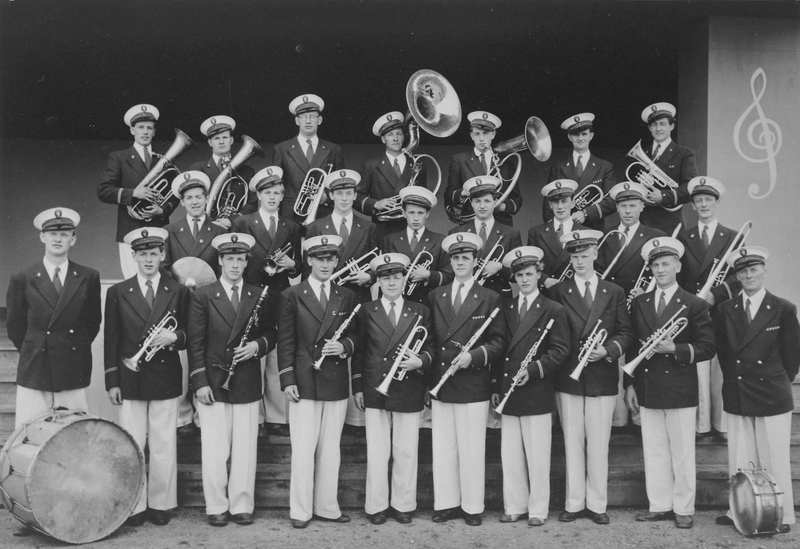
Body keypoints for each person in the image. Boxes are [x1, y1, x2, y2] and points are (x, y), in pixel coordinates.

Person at [624, 237, 716, 529]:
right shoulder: (640, 303)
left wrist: (675, 349)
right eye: (655, 265)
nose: (660, 270)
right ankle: (659, 504)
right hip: (647, 385)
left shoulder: (694, 303)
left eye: (666, 264)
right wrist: (629, 384)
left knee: (682, 452)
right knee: (654, 450)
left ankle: (684, 508)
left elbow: (707, 347)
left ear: (677, 266)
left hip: (679, 387)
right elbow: (633, 346)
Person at [187, 233, 277, 527]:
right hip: (214, 381)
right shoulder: (203, 295)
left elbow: (271, 334)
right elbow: (195, 343)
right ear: (221, 261)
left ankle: (242, 505)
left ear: (246, 262)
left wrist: (257, 346)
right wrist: (200, 382)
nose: (235, 265)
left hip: (246, 379)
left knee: (245, 448)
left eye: (240, 259)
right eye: (230, 259)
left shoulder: (259, 293)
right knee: (215, 448)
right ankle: (216, 506)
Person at [104, 227, 189, 527]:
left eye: (154, 253)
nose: (149, 259)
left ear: (163, 255)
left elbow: (190, 332)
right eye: (143, 254)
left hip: (165, 374)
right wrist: (112, 381)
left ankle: (160, 503)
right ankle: (135, 504)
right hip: (131, 376)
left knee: (164, 442)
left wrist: (175, 337)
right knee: (133, 443)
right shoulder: (117, 292)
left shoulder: (178, 291)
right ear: (134, 256)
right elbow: (111, 340)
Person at [549, 230, 632, 525]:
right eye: (575, 257)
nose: (580, 261)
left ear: (595, 254)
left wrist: (608, 350)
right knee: (572, 443)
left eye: (585, 255)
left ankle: (597, 504)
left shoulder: (614, 291)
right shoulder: (559, 291)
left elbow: (625, 331)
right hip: (569, 376)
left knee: (598, 444)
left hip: (601, 374)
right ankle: (574, 503)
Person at [713, 246, 798, 534]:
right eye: (743, 272)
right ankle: (739, 509)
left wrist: (777, 379)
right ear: (737, 277)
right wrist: (734, 379)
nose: (748, 275)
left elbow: (792, 355)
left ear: (763, 271)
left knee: (774, 456)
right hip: (738, 388)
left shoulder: (783, 307)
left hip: (771, 391)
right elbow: (724, 352)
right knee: (740, 456)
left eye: (753, 270)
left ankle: (782, 515)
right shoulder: (725, 310)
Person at [277, 235, 360, 529]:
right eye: (319, 259)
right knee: (303, 448)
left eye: (330, 259)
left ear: (336, 262)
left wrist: (345, 346)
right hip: (304, 378)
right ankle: (300, 510)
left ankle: (326, 507)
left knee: (330, 448)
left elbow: (356, 334)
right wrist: (287, 378)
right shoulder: (292, 295)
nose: (325, 264)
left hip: (334, 377)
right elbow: (286, 340)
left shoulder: (346, 295)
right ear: (309, 260)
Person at [427, 232, 507, 526]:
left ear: (476, 262)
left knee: (472, 448)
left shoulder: (489, 297)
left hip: (473, 381)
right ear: (450, 262)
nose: (460, 262)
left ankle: (472, 507)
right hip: (442, 381)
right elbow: (431, 341)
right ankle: (446, 503)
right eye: (456, 258)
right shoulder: (436, 295)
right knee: (444, 447)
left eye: (466, 258)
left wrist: (473, 356)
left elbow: (499, 342)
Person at [351, 252, 435, 525]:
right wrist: (358, 387)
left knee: (406, 450)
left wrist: (420, 361)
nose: (391, 283)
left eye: (397, 277)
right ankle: (376, 506)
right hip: (375, 385)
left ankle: (403, 505)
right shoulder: (367, 310)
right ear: (378, 281)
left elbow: (430, 347)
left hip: (409, 386)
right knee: (377, 451)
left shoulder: (420, 310)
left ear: (404, 280)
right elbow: (360, 352)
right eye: (386, 278)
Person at [6, 208, 101, 427]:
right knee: (31, 431)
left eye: (64, 234)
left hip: (73, 364)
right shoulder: (23, 277)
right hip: (35, 364)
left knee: (73, 431)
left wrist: (70, 346)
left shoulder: (88, 276)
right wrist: (36, 347)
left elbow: (93, 323)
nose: (58, 239)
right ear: (42, 237)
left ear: (73, 239)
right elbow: (15, 327)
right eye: (52, 234)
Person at [496, 246, 570, 526]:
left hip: (536, 387)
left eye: (529, 274)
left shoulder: (553, 309)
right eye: (519, 275)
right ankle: (515, 505)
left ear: (539, 274)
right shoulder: (506, 307)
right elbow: (500, 348)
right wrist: (496, 385)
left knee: (538, 454)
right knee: (511, 453)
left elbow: (560, 350)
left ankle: (538, 509)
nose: (525, 279)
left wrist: (534, 370)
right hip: (509, 388)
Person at [231, 166, 303, 436]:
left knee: (276, 354)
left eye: (277, 193)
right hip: (251, 294)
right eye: (268, 193)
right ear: (258, 195)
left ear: (282, 197)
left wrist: (291, 264)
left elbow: (298, 267)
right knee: (253, 353)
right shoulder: (242, 223)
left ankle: (276, 417)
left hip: (280, 295)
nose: (272, 197)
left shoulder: (291, 226)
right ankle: (257, 417)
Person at [676, 176, 741, 438]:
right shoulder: (684, 237)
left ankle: (721, 424)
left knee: (720, 368)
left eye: (708, 200)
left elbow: (738, 276)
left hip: (721, 309)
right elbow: (679, 277)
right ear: (692, 205)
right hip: (694, 310)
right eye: (698, 200)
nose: (703, 205)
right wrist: (691, 302)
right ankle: (701, 424)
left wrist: (715, 295)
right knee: (699, 368)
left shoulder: (733, 237)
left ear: (717, 202)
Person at [599, 182, 666, 432]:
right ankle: (618, 418)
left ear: (642, 207)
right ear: (616, 208)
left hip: (643, 304)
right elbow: (600, 271)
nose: (628, 211)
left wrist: (647, 291)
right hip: (613, 304)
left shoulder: (655, 235)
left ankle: (639, 417)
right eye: (623, 206)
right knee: (616, 354)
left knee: (641, 353)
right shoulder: (606, 235)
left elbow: (664, 272)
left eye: (633, 205)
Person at [97, 104, 180, 278]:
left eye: (149, 128)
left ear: (154, 132)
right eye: (141, 127)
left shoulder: (163, 160)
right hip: (130, 228)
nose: (145, 132)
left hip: (158, 227)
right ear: (132, 130)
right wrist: (133, 193)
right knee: (133, 280)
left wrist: (162, 210)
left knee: (161, 279)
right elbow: (103, 191)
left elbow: (175, 194)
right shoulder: (119, 157)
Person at [305, 169, 378, 306]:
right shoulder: (314, 227)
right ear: (331, 195)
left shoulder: (369, 227)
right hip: (325, 298)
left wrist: (369, 277)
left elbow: (375, 263)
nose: (344, 198)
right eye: (339, 193)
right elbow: (307, 270)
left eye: (349, 193)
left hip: (358, 297)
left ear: (355, 195)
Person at [272, 94, 345, 224]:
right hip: (291, 213)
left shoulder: (334, 149)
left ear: (319, 120)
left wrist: (327, 196)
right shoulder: (282, 149)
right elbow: (277, 185)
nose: (308, 121)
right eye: (303, 117)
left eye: (312, 116)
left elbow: (340, 183)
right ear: (297, 121)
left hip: (323, 212)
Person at [355, 111, 428, 239]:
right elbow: (356, 197)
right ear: (383, 139)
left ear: (403, 137)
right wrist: (375, 204)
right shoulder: (372, 166)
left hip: (409, 230)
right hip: (382, 231)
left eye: (399, 134)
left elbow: (423, 200)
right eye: (390, 135)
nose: (395, 138)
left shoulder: (417, 165)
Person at [448, 175, 522, 299]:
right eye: (477, 201)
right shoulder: (456, 233)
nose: (482, 206)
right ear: (471, 203)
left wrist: (500, 268)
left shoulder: (511, 233)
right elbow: (449, 271)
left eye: (487, 201)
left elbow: (518, 274)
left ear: (495, 202)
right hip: (466, 297)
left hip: (499, 297)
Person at [444, 111, 522, 226]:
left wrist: (502, 206)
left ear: (493, 135)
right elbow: (449, 195)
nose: (481, 139)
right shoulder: (459, 160)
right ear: (472, 136)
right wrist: (464, 193)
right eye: (477, 134)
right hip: (471, 223)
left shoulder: (506, 163)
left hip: (500, 223)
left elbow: (517, 200)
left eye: (486, 133)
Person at [380, 186, 453, 304]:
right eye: (411, 212)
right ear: (404, 213)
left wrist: (429, 275)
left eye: (420, 213)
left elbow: (449, 276)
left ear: (427, 214)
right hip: (397, 302)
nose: (415, 218)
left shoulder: (440, 240)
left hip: (428, 302)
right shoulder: (389, 240)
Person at [633, 102, 698, 234]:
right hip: (642, 221)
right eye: (654, 124)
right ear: (649, 128)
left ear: (671, 126)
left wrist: (663, 195)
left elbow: (690, 188)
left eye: (662, 124)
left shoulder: (684, 153)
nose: (658, 129)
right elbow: (630, 185)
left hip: (669, 223)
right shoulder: (641, 154)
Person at [544, 113, 616, 231]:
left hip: (592, 228)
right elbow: (548, 204)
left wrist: (586, 213)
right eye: (576, 135)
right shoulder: (558, 167)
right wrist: (555, 230)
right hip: (564, 230)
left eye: (584, 134)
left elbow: (611, 201)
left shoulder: (605, 167)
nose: (580, 138)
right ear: (569, 137)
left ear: (591, 136)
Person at [190, 115, 257, 227]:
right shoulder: (197, 168)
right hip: (207, 226)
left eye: (225, 137)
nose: (221, 142)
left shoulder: (246, 171)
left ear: (231, 140)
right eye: (216, 138)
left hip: (237, 227)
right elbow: (193, 200)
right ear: (210, 142)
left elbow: (252, 203)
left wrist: (233, 220)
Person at [164, 171, 228, 278]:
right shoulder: (169, 232)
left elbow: (222, 273)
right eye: (189, 198)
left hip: (209, 288)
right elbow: (164, 271)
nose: (194, 202)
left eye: (198, 197)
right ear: (182, 202)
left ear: (206, 199)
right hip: (178, 288)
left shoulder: (220, 232)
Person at [527, 179, 587, 290]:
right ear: (550, 205)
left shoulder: (585, 233)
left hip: (576, 292)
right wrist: (544, 280)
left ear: (573, 203)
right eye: (555, 202)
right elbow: (530, 265)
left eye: (564, 201)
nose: (560, 207)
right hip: (547, 292)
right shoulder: (536, 232)